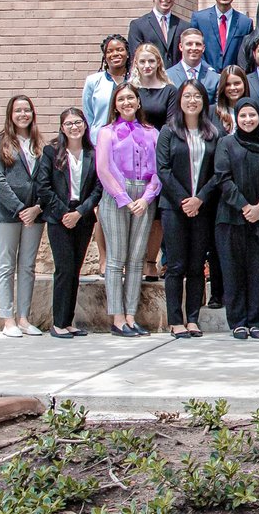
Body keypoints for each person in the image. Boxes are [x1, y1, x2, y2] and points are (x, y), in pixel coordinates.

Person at [96, 83, 161, 337]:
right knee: (116, 259)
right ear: (115, 104)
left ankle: (131, 316)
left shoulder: (151, 132)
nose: (126, 103)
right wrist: (123, 197)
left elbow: (159, 169)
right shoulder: (107, 132)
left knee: (136, 259)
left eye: (131, 98)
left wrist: (146, 198)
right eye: (121, 99)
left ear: (138, 102)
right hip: (116, 196)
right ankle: (117, 317)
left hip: (144, 195)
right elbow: (103, 168)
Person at [156, 80, 219, 338]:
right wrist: (184, 200)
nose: (192, 101)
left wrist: (200, 199)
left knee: (196, 265)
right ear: (179, 100)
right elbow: (163, 170)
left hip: (202, 208)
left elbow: (218, 172)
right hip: (174, 207)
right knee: (176, 265)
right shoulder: (168, 131)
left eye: (197, 96)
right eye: (187, 96)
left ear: (204, 100)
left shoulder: (213, 133)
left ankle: (192, 318)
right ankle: (175, 320)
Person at [214, 98, 259, 339]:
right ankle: (238, 321)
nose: (248, 120)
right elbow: (223, 178)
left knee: (257, 271)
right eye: (243, 116)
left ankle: (255, 321)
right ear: (236, 118)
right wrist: (244, 206)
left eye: (252, 115)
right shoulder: (226, 143)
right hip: (230, 217)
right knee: (233, 271)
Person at [37, 108, 102, 338]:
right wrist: (65, 213)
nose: (74, 127)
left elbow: (97, 188)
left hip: (83, 218)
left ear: (85, 125)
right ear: (62, 128)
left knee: (75, 269)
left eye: (78, 122)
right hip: (59, 217)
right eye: (69, 124)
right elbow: (43, 187)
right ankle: (58, 324)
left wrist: (80, 212)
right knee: (64, 269)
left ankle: (68, 321)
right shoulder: (51, 152)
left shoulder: (93, 154)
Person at [0, 96, 46, 338]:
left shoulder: (39, 143)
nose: (23, 114)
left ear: (33, 113)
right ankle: (7, 319)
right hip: (7, 214)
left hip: (35, 214)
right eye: (18, 110)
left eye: (27, 110)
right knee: (6, 265)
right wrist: (21, 208)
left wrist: (37, 208)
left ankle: (23, 318)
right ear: (10, 114)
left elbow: (46, 180)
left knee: (28, 266)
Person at [190, 0, 254, 71]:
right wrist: (208, 69)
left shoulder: (245, 23)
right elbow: (193, 46)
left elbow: (246, 54)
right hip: (205, 76)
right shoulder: (199, 18)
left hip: (233, 79)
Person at [128, 0, 188, 68]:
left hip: (177, 80)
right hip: (150, 78)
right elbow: (135, 58)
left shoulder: (184, 26)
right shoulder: (138, 25)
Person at [83, 34, 130, 145]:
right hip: (100, 142)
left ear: (127, 54)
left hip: (129, 142)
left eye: (120, 50)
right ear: (104, 56)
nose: (115, 54)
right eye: (109, 51)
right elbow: (88, 114)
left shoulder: (135, 81)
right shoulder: (93, 81)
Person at [130, 43, 178, 131]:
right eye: (142, 61)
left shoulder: (170, 91)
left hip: (161, 141)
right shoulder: (130, 89)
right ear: (136, 63)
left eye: (151, 61)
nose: (147, 66)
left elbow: (171, 126)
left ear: (158, 62)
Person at [167, 28, 221, 102]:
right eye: (189, 44)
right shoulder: (167, 76)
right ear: (181, 47)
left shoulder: (215, 78)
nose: (194, 48)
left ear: (203, 48)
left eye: (198, 44)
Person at [213, 65, 250, 135]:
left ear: (244, 84)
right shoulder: (212, 112)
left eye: (237, 83)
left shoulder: (253, 111)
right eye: (227, 84)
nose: (232, 88)